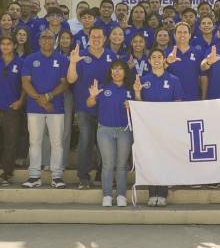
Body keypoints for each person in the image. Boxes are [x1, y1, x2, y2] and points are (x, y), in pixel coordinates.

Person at [67, 27, 117, 189]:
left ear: (104, 39)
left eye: (99, 36)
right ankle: (84, 177)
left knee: (106, 143)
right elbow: (71, 79)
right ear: (89, 38)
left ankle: (105, 176)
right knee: (86, 140)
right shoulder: (81, 55)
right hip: (84, 107)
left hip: (106, 108)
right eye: (93, 36)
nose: (96, 39)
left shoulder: (111, 56)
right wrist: (73, 63)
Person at [21, 29, 70, 189]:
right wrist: (39, 99)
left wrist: (48, 97)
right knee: (34, 142)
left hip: (56, 108)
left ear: (55, 40)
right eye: (44, 37)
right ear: (39, 41)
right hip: (34, 108)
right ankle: (34, 176)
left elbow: (65, 83)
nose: (47, 40)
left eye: (50, 37)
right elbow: (25, 82)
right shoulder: (30, 59)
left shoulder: (62, 59)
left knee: (57, 142)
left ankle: (57, 176)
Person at [87, 61, 138, 207]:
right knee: (108, 164)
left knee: (122, 165)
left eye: (120, 69)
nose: (116, 72)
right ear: (110, 72)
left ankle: (121, 195)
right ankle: (107, 195)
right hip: (105, 131)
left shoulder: (131, 89)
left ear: (125, 72)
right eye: (114, 69)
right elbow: (89, 104)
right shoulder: (102, 88)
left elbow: (140, 107)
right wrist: (92, 97)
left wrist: (133, 105)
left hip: (124, 131)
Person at [139, 48, 185, 206]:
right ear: (149, 61)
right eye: (153, 57)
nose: (157, 59)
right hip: (148, 127)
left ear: (164, 60)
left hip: (166, 126)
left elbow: (178, 102)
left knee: (164, 158)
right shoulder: (143, 80)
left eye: (159, 57)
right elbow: (139, 104)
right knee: (151, 158)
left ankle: (163, 193)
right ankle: (152, 193)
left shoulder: (173, 79)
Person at [0, 35, 25, 186]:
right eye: (3, 44)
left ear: (14, 46)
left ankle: (7, 173)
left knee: (10, 140)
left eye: (9, 44)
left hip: (12, 107)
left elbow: (25, 84)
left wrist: (20, 101)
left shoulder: (20, 63)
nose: (6, 46)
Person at [166, 22, 203, 101]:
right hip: (171, 99)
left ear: (190, 35)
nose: (182, 35)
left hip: (193, 98)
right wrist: (167, 62)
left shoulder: (198, 53)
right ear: (174, 35)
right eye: (179, 32)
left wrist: (203, 96)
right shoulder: (166, 52)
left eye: (185, 32)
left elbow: (202, 77)